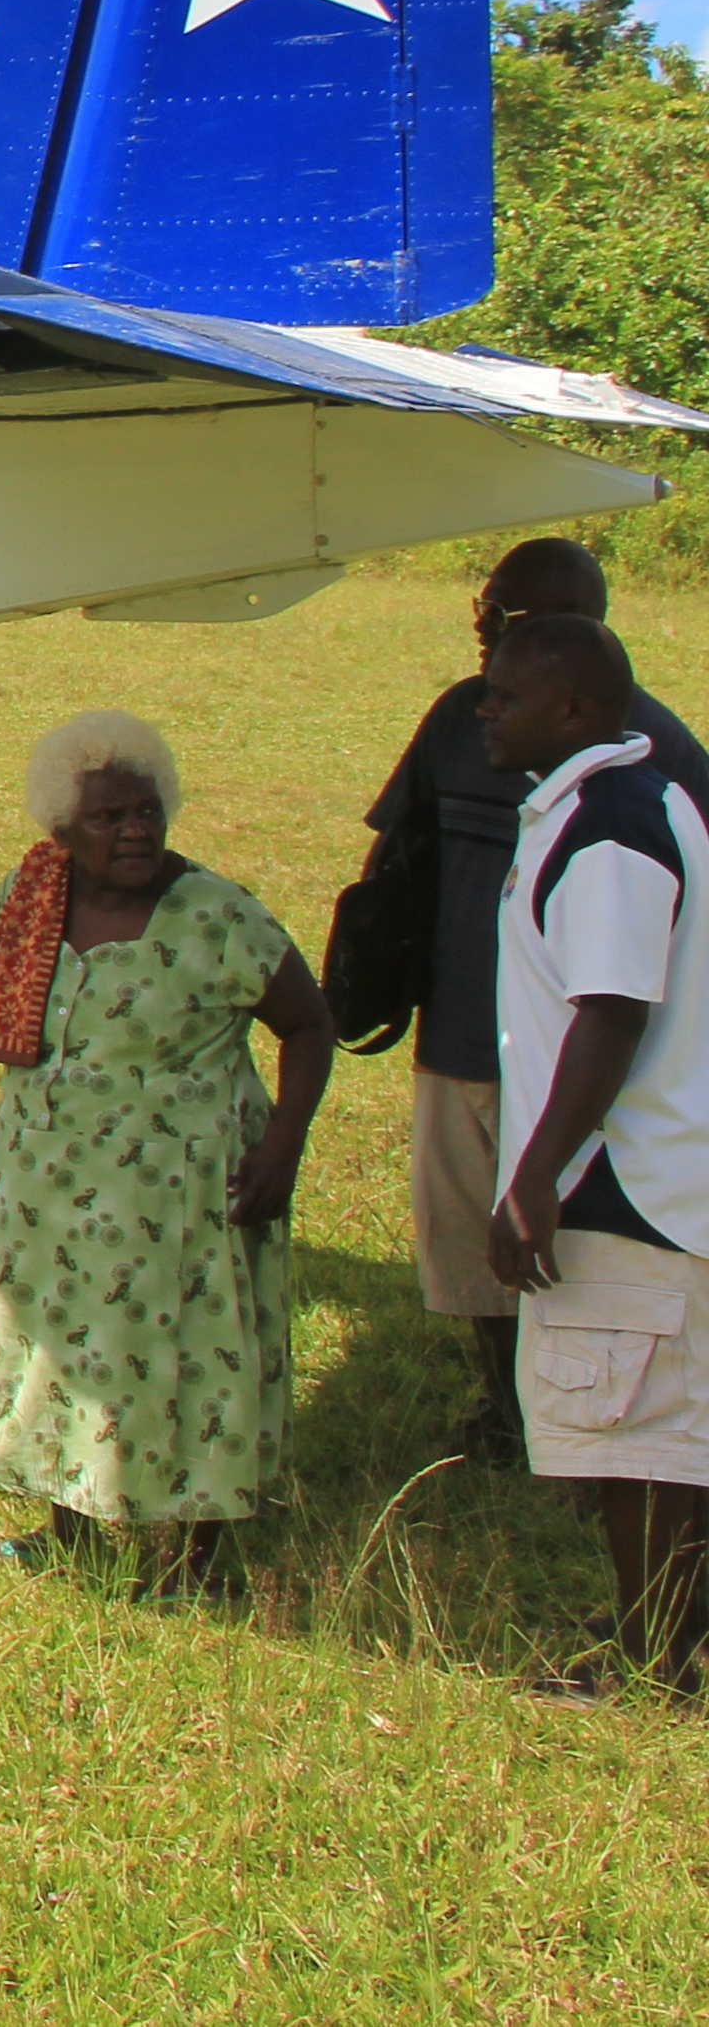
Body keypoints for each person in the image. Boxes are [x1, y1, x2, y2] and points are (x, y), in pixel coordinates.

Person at [0, 710, 334, 1592]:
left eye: (147, 810)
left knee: (185, 1354)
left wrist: (285, 1143)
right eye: (109, 817)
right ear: (61, 829)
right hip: (47, 1178)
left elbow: (310, 1023)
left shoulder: (216, 914)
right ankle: (72, 1529)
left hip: (176, 1183)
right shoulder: (34, 898)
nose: (135, 830)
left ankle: (196, 1558)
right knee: (60, 1346)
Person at [341, 538, 709, 1469]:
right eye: (484, 607)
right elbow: (397, 851)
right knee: (468, 1242)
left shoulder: (642, 764)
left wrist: (542, 1163)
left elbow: (619, 999)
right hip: (460, 1027)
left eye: (506, 618)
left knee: (575, 1273)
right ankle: (515, 1408)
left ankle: (594, 1445)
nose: (482, 632)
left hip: (572, 1070)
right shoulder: (465, 717)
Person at [480, 612, 709, 1695]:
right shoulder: (626, 801)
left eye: (507, 696)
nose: (486, 709)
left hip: (630, 1186)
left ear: (574, 709)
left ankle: (654, 1663)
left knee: (643, 1441)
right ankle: (665, 1638)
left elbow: (612, 1009)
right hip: (650, 1174)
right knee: (650, 1431)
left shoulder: (613, 829)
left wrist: (535, 1176)